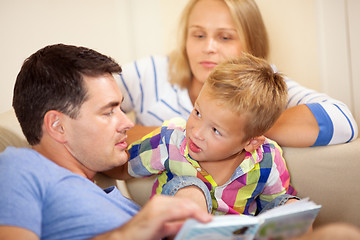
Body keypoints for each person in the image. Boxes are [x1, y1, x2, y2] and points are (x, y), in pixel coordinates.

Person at [0, 44, 212, 240]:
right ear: (58, 126)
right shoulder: (18, 168)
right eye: (108, 112)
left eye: (120, 108)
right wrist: (128, 234)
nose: (127, 123)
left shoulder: (111, 198)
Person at [117, 0, 358, 147]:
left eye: (225, 37)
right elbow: (86, 103)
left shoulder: (266, 85)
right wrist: (188, 134)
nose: (208, 47)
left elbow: (342, 121)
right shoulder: (153, 72)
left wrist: (241, 129)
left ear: (250, 46)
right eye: (198, 35)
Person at [113, 54, 298, 215]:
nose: (196, 132)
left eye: (216, 130)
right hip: (177, 228)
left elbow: (273, 208)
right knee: (192, 191)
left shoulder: (267, 159)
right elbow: (122, 166)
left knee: (292, 207)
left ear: (251, 142)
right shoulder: (171, 141)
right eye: (197, 113)